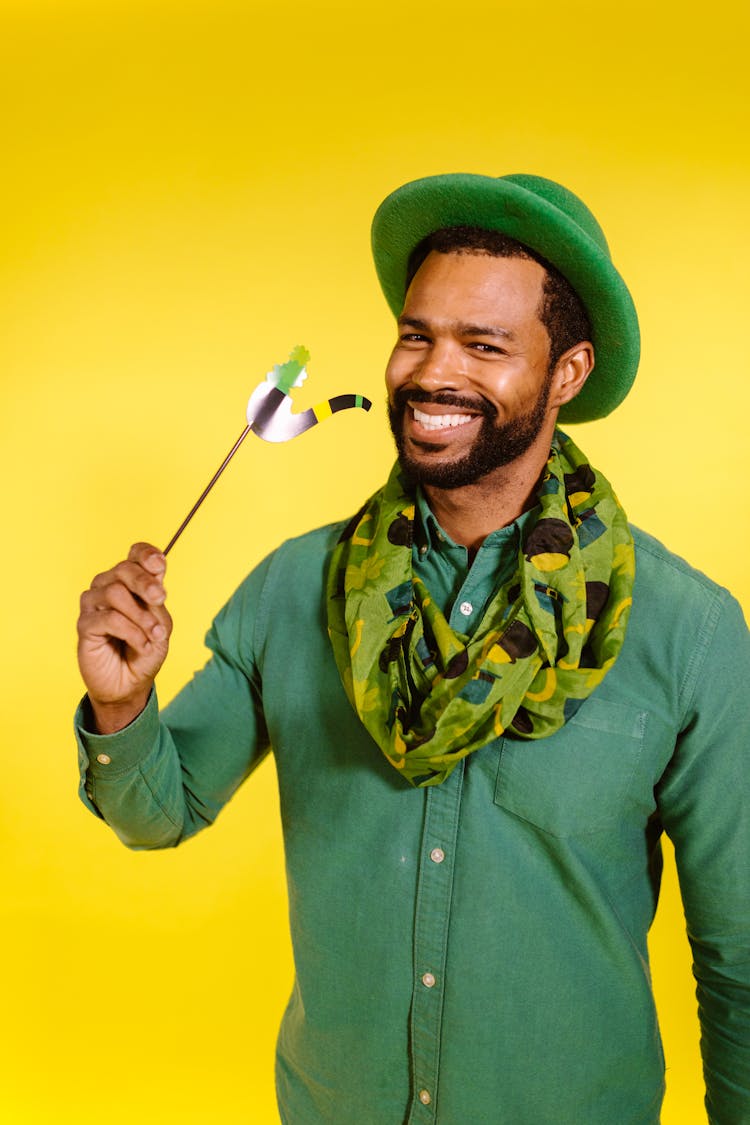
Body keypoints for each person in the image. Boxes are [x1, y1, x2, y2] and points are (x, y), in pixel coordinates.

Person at [75, 173, 750, 1125]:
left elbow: (741, 958)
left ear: (568, 372)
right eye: (416, 333)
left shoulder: (692, 632)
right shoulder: (291, 589)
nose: (435, 372)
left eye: (485, 344)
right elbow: (160, 809)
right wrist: (121, 705)